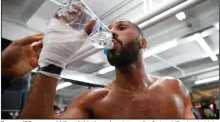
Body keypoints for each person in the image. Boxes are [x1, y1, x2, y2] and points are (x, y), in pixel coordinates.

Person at [4, 18, 194, 118]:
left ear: (143, 42)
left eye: (121, 27)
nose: (110, 33)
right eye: (109, 29)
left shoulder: (175, 87)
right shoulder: (92, 100)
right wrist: (50, 65)